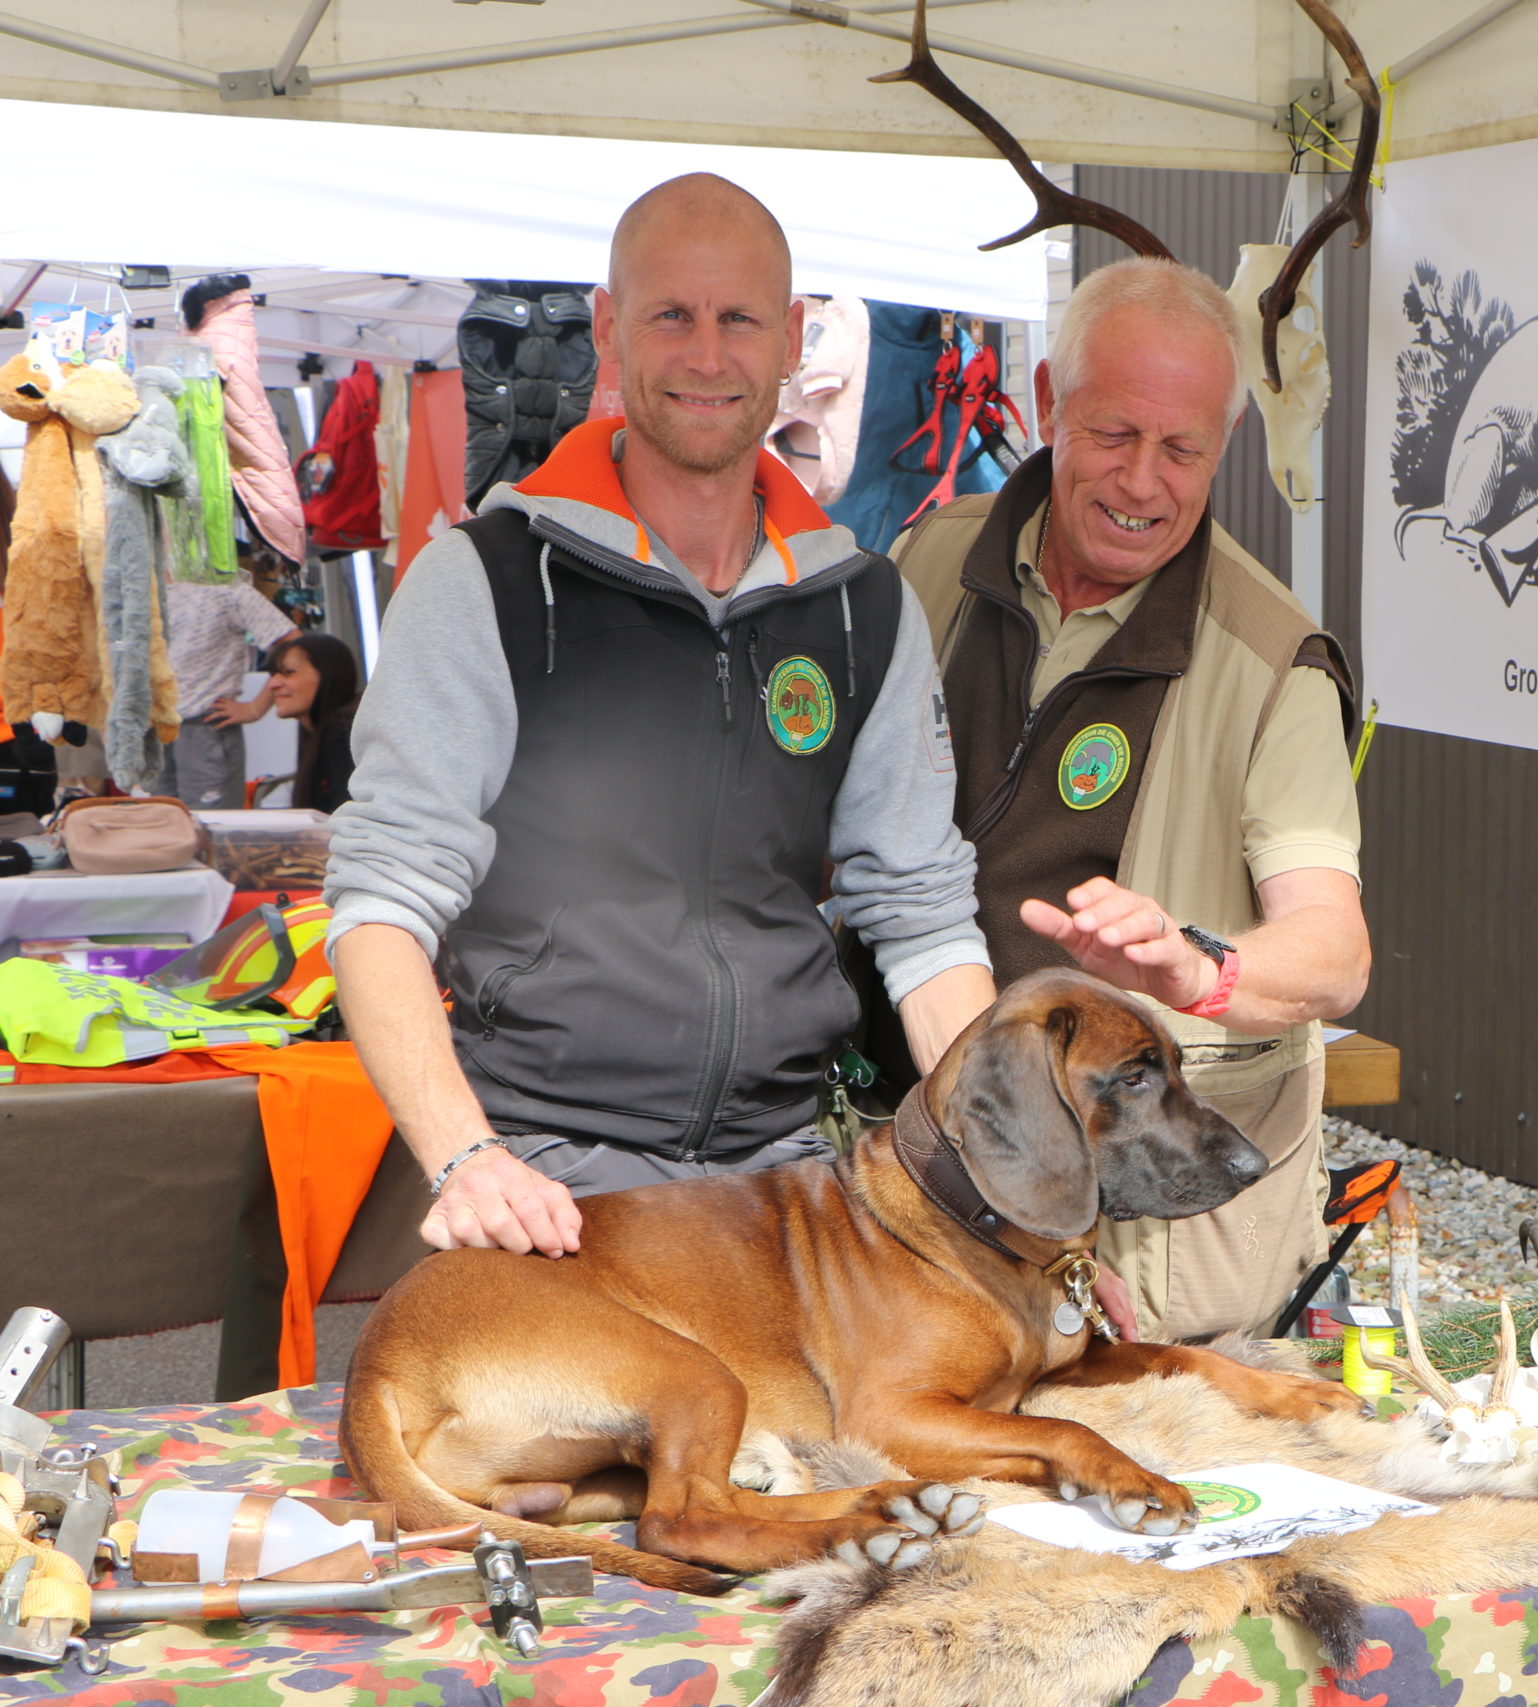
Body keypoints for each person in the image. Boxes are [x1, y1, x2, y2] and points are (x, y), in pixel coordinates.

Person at [324, 173, 996, 1259]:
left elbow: (920, 916)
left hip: (787, 1174)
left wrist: (1004, 1174)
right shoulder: (486, 581)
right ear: (607, 327)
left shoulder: (863, 604)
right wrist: (466, 1158)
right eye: (671, 315)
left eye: (740, 319)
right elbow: (381, 904)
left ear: (792, 338)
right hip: (547, 1178)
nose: (707, 355)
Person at [895, 257, 1369, 1344]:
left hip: (1145, 1233)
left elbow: (1336, 954)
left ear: (1227, 441)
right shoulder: (930, 560)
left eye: (1182, 449)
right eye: (1113, 434)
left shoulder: (1273, 660)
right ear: (1048, 399)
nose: (1143, 482)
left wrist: (1204, 971)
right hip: (935, 1165)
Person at [157, 576, 300, 808]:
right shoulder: (138, 589)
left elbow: (291, 643)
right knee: (161, 821)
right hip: (153, 727)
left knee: (210, 823)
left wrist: (256, 708)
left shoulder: (226, 590)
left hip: (204, 724)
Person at [264, 631, 361, 814]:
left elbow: (342, 815)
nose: (273, 684)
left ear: (328, 674)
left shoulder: (342, 730)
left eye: (288, 672)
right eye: (273, 674)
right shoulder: (319, 733)